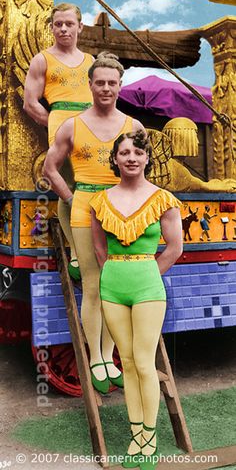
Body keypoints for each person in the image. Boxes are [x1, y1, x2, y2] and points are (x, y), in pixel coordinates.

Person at [43, 53, 145, 393]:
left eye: (111, 83)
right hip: (85, 207)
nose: (105, 88)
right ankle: (95, 360)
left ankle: (109, 353)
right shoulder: (72, 125)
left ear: (120, 85)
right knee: (92, 285)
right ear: (89, 85)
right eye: (99, 82)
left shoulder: (134, 127)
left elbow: (143, 173)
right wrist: (71, 199)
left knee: (119, 287)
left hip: (122, 211)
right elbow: (50, 169)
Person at [90, 130, 183, 468]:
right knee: (126, 363)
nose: (131, 158)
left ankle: (149, 437)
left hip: (147, 286)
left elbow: (174, 248)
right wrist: (114, 273)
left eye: (137, 153)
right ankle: (135, 435)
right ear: (115, 159)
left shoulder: (163, 199)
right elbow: (99, 248)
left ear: (146, 158)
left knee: (144, 363)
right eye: (124, 152)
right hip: (112, 286)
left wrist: (145, 274)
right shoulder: (100, 200)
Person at [24, 2, 93, 279]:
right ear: (52, 27)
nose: (63, 29)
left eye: (68, 23)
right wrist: (56, 122)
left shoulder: (90, 61)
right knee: (69, 189)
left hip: (92, 128)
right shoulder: (43, 59)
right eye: (58, 24)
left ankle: (98, 247)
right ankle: (76, 252)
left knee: (95, 186)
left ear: (80, 26)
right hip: (63, 126)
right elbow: (31, 104)